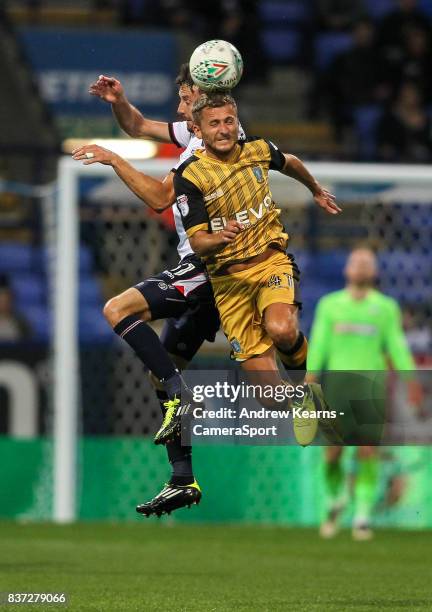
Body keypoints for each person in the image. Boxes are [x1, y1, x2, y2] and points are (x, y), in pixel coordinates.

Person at [73, 65, 243, 518]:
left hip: (207, 266)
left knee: (117, 309)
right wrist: (119, 103)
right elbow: (137, 124)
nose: (178, 109)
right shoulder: (194, 133)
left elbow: (158, 198)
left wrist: (113, 159)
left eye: (186, 101)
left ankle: (185, 393)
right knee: (161, 374)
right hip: (212, 271)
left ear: (204, 103)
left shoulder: (203, 147)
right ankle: (183, 478)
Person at [161, 91, 341, 447]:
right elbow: (197, 243)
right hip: (228, 285)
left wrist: (315, 188)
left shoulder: (256, 150)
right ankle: (300, 401)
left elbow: (289, 161)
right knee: (270, 399)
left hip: (269, 262)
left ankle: (310, 387)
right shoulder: (190, 175)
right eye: (215, 123)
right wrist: (220, 237)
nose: (225, 129)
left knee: (282, 329)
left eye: (229, 120)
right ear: (199, 130)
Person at [306, 248, 422, 540]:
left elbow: (396, 347)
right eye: (355, 261)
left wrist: (412, 381)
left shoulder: (384, 308)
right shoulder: (330, 305)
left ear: (374, 272)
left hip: (371, 390)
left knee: (367, 450)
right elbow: (319, 343)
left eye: (366, 263)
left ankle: (362, 517)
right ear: (347, 270)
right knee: (332, 454)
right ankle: (335, 501)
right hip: (336, 389)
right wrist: (309, 377)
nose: (360, 266)